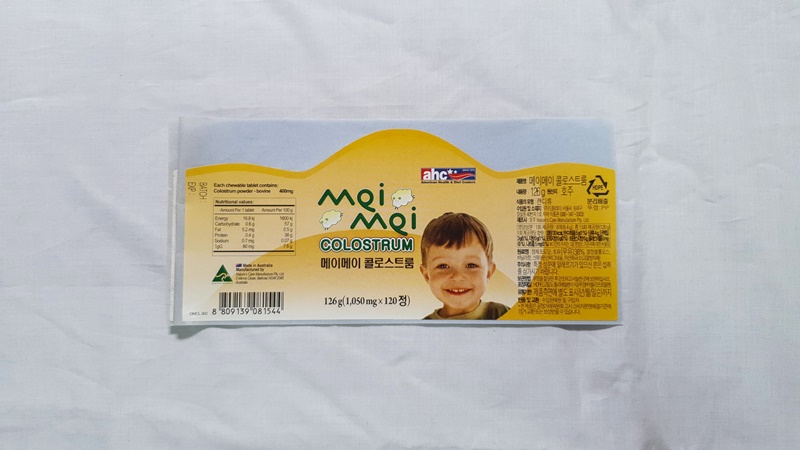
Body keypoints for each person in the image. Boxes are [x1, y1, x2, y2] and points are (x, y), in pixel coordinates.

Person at [419, 212, 509, 320]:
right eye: (443, 266)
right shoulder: (423, 327)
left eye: (471, 265)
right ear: (426, 275)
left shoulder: (504, 314)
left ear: (488, 272)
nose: (458, 277)